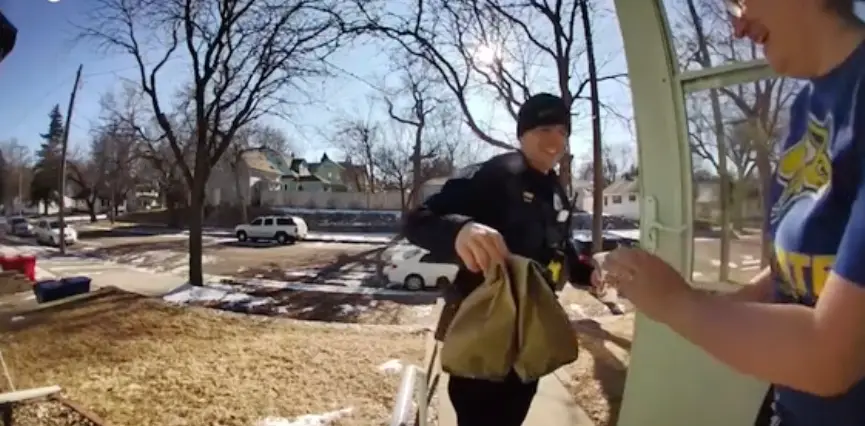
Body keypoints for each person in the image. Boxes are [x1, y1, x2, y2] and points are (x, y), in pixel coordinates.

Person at [600, 0, 865, 424]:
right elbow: (795, 273)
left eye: (742, 0)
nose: (737, 25)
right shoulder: (803, 110)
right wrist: (720, 307)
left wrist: (678, 303)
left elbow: (832, 358)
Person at [403, 93, 595, 426]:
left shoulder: (555, 189)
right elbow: (416, 220)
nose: (555, 140)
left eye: (563, 132)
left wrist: (584, 268)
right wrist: (459, 231)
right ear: (523, 134)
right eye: (545, 128)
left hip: (530, 337)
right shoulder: (492, 175)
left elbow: (559, 244)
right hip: (484, 334)